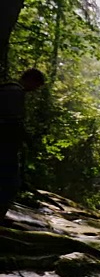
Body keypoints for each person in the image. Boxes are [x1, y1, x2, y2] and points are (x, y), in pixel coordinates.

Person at [0, 68, 45, 221]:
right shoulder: (15, 92)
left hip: (6, 145)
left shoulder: (7, 89)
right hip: (4, 146)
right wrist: (28, 141)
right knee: (10, 184)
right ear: (30, 80)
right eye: (36, 85)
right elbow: (13, 122)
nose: (35, 90)